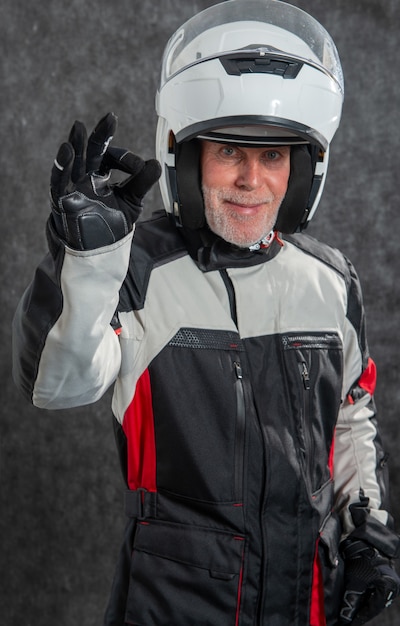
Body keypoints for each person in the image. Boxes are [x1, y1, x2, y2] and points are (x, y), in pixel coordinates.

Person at [12, 0, 400, 624]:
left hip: (305, 602)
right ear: (187, 157)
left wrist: (365, 530)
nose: (251, 179)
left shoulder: (330, 280)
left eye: (273, 156)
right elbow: (55, 385)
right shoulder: (136, 270)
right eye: (229, 152)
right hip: (174, 606)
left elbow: (351, 418)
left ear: (302, 169)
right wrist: (82, 265)